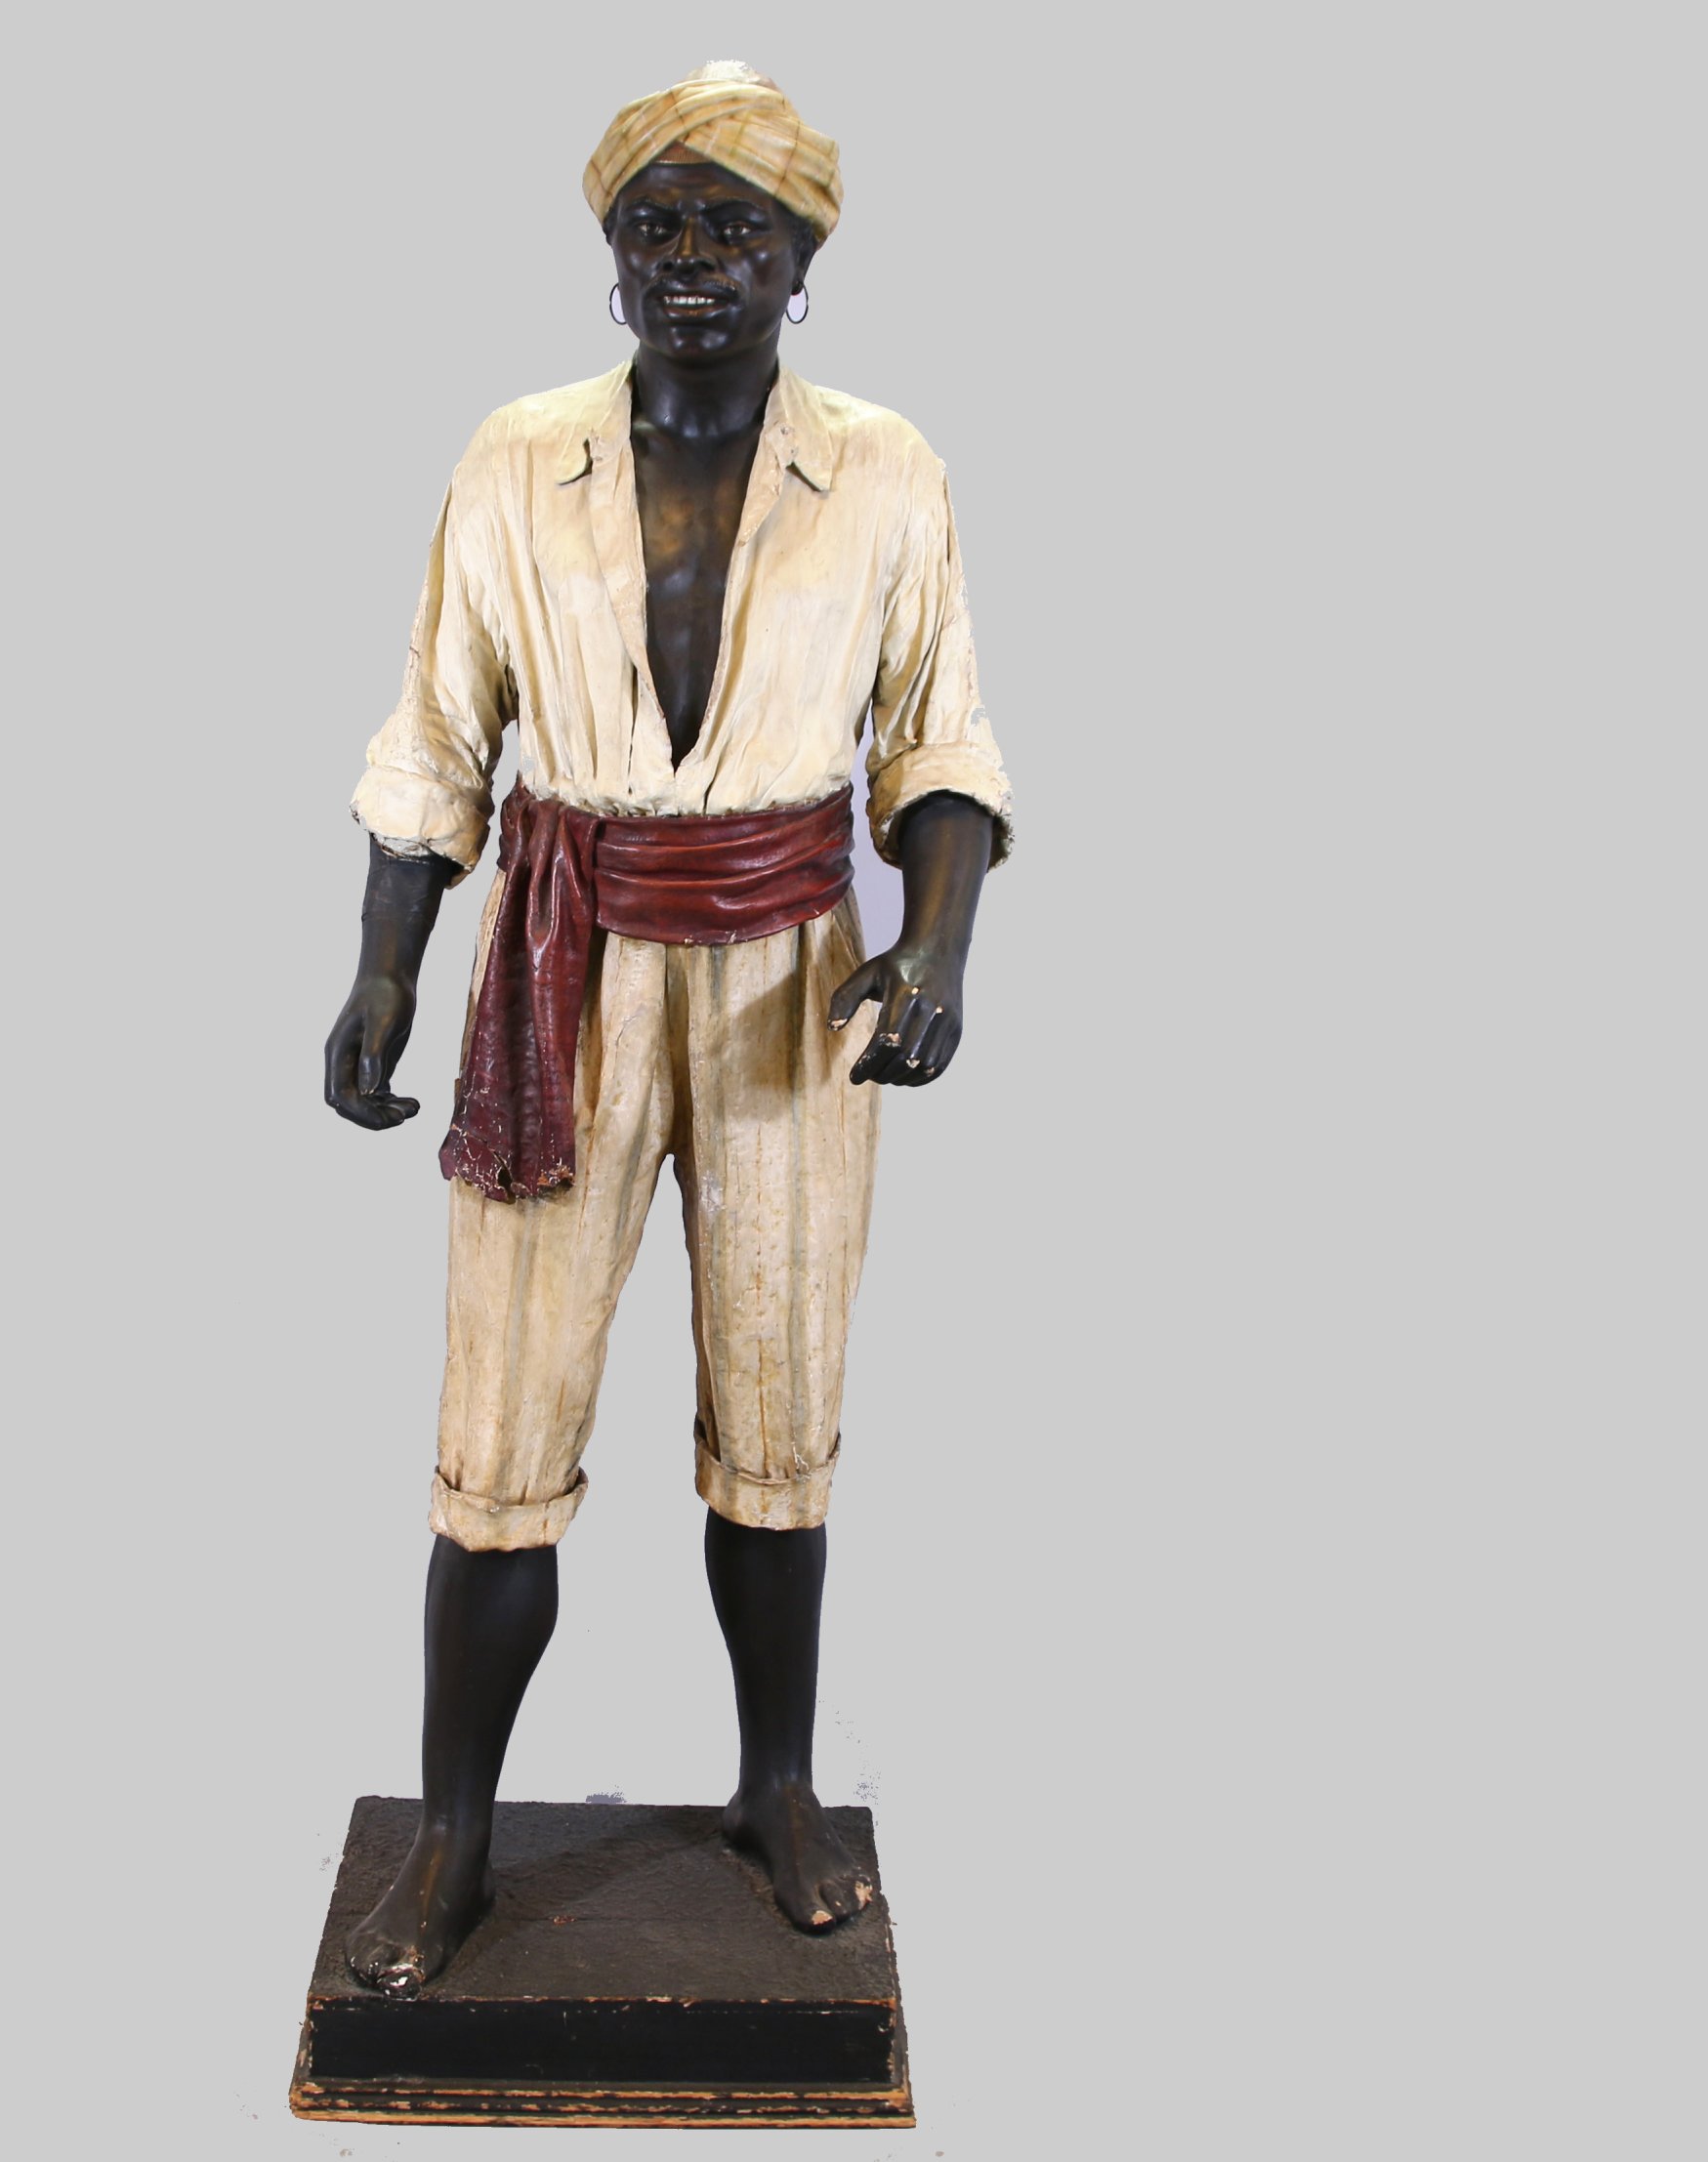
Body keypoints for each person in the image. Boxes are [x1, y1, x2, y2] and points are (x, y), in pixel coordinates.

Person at [320, 61, 1015, 1996]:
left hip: (794, 977)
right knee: (501, 1417)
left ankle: (776, 1786)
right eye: (659, 224)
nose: (696, 259)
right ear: (611, 251)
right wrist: (386, 964)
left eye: (738, 227)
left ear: (804, 259)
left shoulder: (885, 472)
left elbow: (941, 742)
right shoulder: (513, 461)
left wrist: (939, 945)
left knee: (780, 1410)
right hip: (564, 967)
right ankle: (454, 1833)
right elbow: (438, 734)